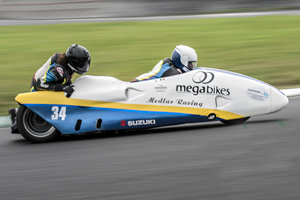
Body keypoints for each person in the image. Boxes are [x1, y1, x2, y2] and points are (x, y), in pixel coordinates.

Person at [8, 44, 91, 133]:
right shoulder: (59, 70)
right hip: (38, 89)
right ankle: (21, 118)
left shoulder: (66, 63)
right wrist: (63, 88)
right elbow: (41, 84)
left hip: (46, 84)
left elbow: (65, 80)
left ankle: (17, 112)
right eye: (81, 64)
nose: (83, 66)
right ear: (73, 62)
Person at [132, 45, 197, 82]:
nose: (191, 66)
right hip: (138, 85)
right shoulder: (173, 72)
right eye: (190, 63)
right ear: (182, 60)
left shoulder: (170, 66)